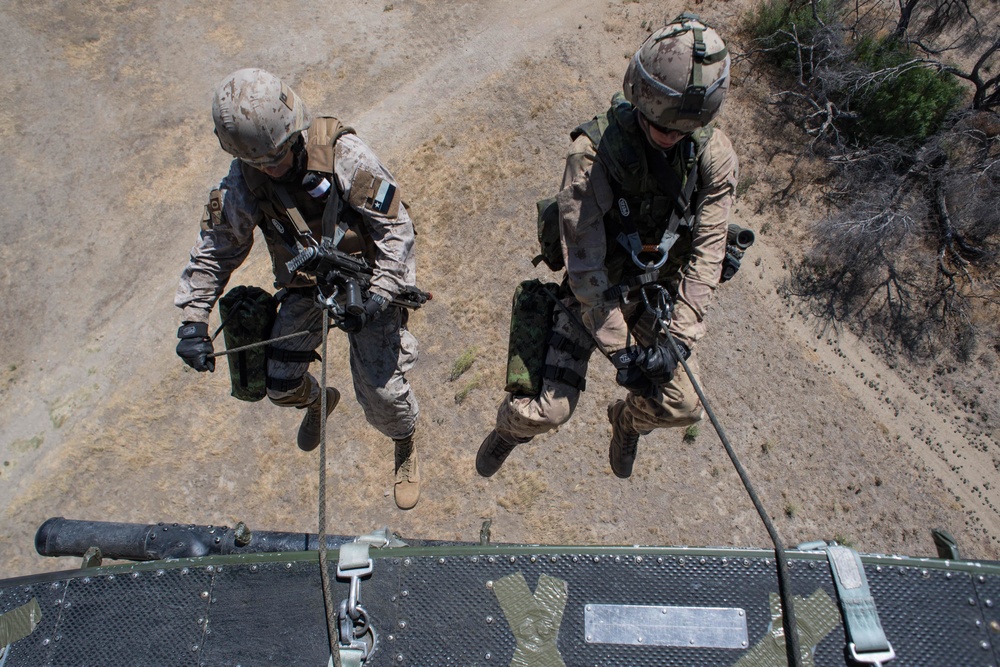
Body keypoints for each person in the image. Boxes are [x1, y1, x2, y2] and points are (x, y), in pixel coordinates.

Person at [477, 14, 739, 479]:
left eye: (684, 130)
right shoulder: (592, 156)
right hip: (596, 293)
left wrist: (675, 342)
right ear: (642, 98)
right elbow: (586, 269)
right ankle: (509, 431)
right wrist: (621, 353)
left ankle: (626, 424)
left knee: (681, 408)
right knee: (548, 411)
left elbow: (708, 255)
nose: (672, 137)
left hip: (653, 292)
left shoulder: (714, 157)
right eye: (663, 127)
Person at [175, 68, 422, 509]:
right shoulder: (243, 183)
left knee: (384, 396)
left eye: (281, 154)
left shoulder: (344, 154)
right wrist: (194, 320)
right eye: (262, 163)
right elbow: (215, 249)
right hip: (306, 287)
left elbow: (395, 228)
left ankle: (403, 441)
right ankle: (317, 402)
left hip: (365, 281)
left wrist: (381, 296)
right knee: (276, 384)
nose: (275, 167)